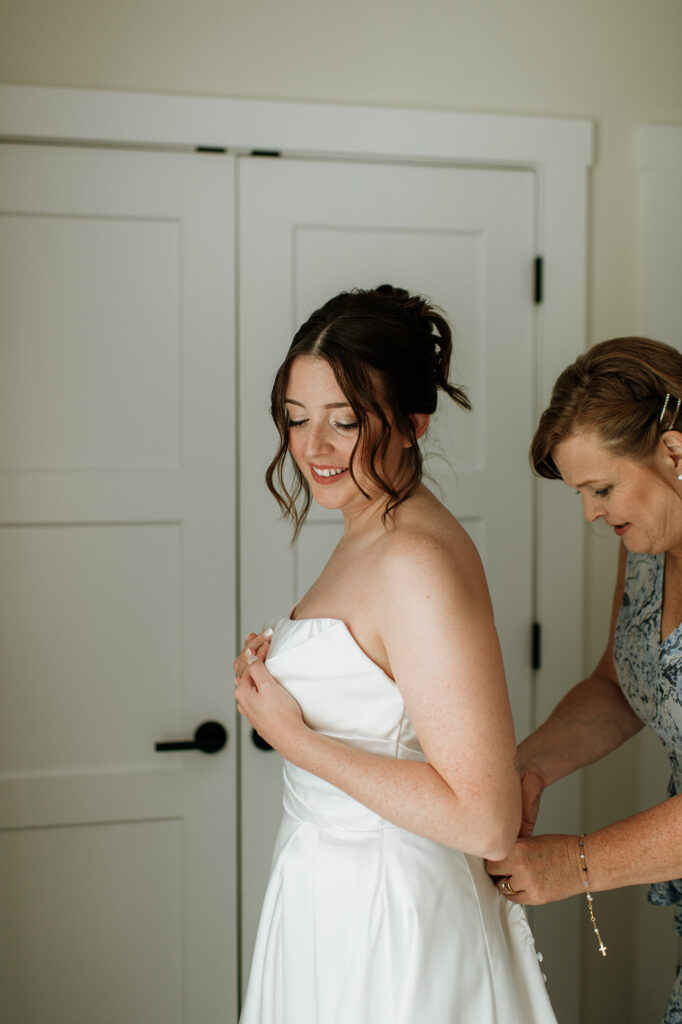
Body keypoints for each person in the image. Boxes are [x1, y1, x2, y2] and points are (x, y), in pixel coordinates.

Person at [234, 285, 556, 1023]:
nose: (313, 448)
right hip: (328, 893)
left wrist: (296, 737)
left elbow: (484, 820)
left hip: (389, 913)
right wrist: (277, 678)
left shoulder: (414, 558)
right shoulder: (368, 526)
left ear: (414, 423)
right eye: (296, 420)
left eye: (343, 422)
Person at [486, 337, 682, 1023]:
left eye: (601, 488)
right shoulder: (650, 548)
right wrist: (526, 767)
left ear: (675, 452)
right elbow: (620, 686)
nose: (591, 513)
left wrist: (576, 863)